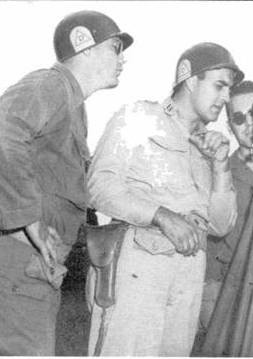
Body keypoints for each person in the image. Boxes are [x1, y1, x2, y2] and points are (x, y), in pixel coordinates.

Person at [87, 42, 242, 356]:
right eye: (219, 86)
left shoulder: (207, 146)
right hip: (138, 270)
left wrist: (221, 165)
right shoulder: (139, 117)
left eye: (229, 90)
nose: (226, 98)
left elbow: (222, 226)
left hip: (188, 275)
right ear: (188, 78)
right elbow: (98, 186)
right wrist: (160, 214)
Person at [0, 10, 132, 356]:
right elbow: (4, 132)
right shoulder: (50, 84)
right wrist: (30, 220)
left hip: (38, 266)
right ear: (83, 45)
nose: (123, 58)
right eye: (115, 47)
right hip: (21, 260)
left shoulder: (74, 105)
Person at [198, 80, 253, 355]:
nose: (250, 124)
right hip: (233, 299)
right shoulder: (218, 175)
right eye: (240, 118)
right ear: (230, 125)